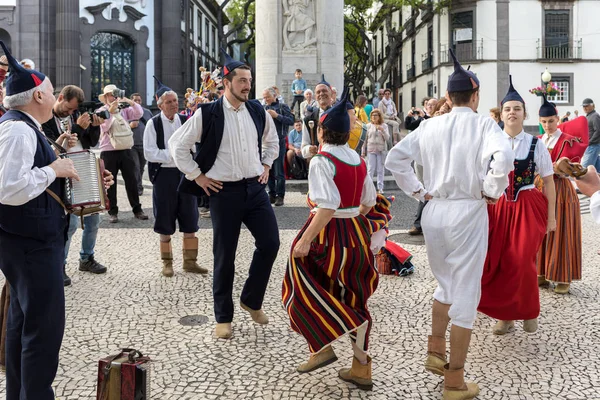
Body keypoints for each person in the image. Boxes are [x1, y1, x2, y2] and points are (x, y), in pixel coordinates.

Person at [385, 49, 513, 400]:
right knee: (466, 291)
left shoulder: (429, 124)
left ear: (447, 97)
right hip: (468, 210)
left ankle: (435, 350)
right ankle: (454, 380)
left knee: (444, 283)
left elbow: (396, 159)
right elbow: (504, 157)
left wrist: (418, 190)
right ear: (474, 97)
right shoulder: (484, 123)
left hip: (435, 210)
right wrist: (491, 190)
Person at [0, 40, 112, 400]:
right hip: (31, 244)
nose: (53, 96)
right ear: (37, 97)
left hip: (27, 241)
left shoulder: (24, 126)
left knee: (23, 324)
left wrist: (82, 174)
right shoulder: (18, 129)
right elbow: (9, 188)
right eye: (49, 91)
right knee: (42, 331)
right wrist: (54, 169)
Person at [283, 88, 391, 391]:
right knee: (355, 295)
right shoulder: (358, 161)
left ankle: (320, 347)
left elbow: (326, 207)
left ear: (321, 130)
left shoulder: (322, 160)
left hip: (329, 235)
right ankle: (361, 368)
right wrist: (352, 212)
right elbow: (369, 202)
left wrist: (305, 240)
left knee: (299, 283)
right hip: (357, 232)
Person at [169, 51, 280, 340]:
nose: (247, 86)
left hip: (255, 190)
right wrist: (198, 176)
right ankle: (223, 317)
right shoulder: (207, 113)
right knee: (224, 256)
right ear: (226, 83)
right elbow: (176, 146)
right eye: (242, 81)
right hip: (223, 192)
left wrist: (267, 164)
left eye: (250, 81)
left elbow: (272, 141)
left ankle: (251, 300)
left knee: (270, 244)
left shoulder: (257, 111)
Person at [478, 77, 556, 336]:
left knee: (522, 260)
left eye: (517, 108)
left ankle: (529, 311)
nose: (512, 112)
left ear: (525, 113)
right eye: (507, 109)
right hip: (497, 208)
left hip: (526, 206)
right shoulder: (490, 142)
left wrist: (552, 217)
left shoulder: (536, 144)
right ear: (501, 114)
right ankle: (505, 317)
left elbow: (548, 181)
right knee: (499, 261)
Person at [42, 85, 107, 285]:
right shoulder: (45, 118)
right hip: (62, 172)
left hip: (84, 167)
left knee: (94, 219)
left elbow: (92, 143)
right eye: (68, 109)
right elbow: (54, 148)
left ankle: (86, 258)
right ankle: (59, 266)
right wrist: (78, 127)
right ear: (60, 97)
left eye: (73, 110)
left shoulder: (77, 113)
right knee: (69, 224)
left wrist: (94, 126)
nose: (70, 112)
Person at [144, 80, 208, 277]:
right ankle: (167, 262)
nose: (174, 104)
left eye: (175, 101)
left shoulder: (185, 120)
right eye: (169, 101)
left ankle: (190, 262)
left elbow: (195, 145)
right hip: (164, 176)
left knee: (190, 217)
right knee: (164, 218)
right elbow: (149, 152)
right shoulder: (152, 123)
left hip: (185, 174)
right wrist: (174, 154)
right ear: (160, 104)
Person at [536, 96, 587, 294]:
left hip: (562, 190)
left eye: (550, 121)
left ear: (557, 120)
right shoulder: (538, 140)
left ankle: (563, 276)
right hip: (539, 188)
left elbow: (574, 170)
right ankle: (541, 271)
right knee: (541, 231)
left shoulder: (568, 140)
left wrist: (564, 168)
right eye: (544, 122)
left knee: (562, 231)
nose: (547, 125)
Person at [98, 84, 149, 223]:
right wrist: (110, 111)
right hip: (108, 150)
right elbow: (104, 127)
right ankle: (112, 211)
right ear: (106, 97)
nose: (113, 97)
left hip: (126, 149)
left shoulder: (124, 110)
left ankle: (137, 209)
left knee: (132, 180)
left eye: (114, 94)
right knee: (110, 183)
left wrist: (128, 100)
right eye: (110, 94)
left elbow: (139, 113)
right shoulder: (101, 110)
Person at [263, 86, 294, 206]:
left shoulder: (282, 107)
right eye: (264, 97)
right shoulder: (264, 108)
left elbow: (291, 120)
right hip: (266, 142)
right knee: (268, 168)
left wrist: (277, 116)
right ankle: (271, 194)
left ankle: (280, 195)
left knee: (278, 169)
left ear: (274, 96)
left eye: (268, 97)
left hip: (279, 141)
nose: (266, 99)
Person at [301, 75, 334, 161]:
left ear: (331, 94)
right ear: (315, 97)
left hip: (336, 161)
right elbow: (304, 147)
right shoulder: (309, 119)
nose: (321, 94)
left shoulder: (339, 115)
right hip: (318, 162)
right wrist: (309, 149)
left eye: (324, 91)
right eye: (318, 92)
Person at [130, 92, 153, 196]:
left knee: (141, 167)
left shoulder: (147, 112)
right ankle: (138, 188)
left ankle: (135, 184)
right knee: (135, 166)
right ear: (131, 101)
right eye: (135, 100)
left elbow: (152, 126)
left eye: (139, 100)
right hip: (132, 145)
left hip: (144, 144)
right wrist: (129, 125)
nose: (138, 102)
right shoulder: (127, 112)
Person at [363, 109, 389, 193]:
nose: (374, 117)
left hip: (381, 149)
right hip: (371, 149)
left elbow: (387, 138)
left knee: (380, 169)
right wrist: (363, 151)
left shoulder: (384, 126)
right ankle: (369, 188)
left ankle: (380, 187)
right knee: (370, 169)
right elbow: (365, 140)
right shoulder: (368, 126)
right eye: (372, 116)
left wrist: (383, 131)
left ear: (379, 116)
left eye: (376, 115)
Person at [581, 98, 600, 171]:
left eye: (587, 106)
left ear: (593, 106)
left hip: (593, 145)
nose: (585, 108)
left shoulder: (595, 116)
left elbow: (598, 131)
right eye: (583, 106)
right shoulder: (589, 116)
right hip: (591, 146)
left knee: (585, 169)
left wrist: (589, 142)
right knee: (597, 170)